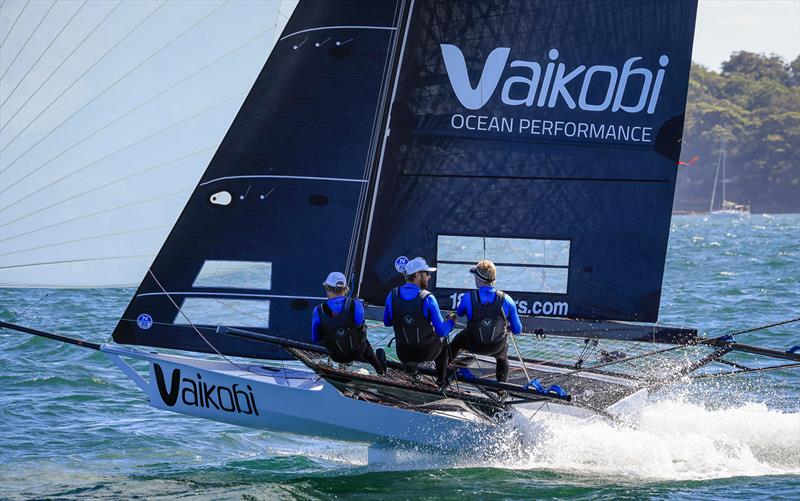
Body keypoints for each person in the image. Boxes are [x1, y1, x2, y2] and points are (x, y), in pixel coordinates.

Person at [383, 257, 455, 387]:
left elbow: (387, 322)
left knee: (410, 349)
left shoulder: (392, 295)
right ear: (417, 275)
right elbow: (442, 331)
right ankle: (441, 381)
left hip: (402, 353)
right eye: (427, 273)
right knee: (443, 341)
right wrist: (451, 321)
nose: (429, 277)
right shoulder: (428, 298)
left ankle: (413, 372)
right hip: (425, 353)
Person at [450, 260, 522, 382]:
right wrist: (507, 327)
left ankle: (444, 373)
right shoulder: (507, 300)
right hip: (496, 346)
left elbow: (460, 313)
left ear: (478, 279)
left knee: (456, 342)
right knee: (502, 357)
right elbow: (517, 329)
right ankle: (501, 390)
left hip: (473, 344)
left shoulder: (468, 298)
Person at [311, 272, 387, 375]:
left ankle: (332, 366)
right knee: (364, 341)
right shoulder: (356, 305)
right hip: (357, 352)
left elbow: (316, 339)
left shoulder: (318, 310)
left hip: (336, 355)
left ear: (328, 288)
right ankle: (380, 369)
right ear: (345, 289)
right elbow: (360, 329)